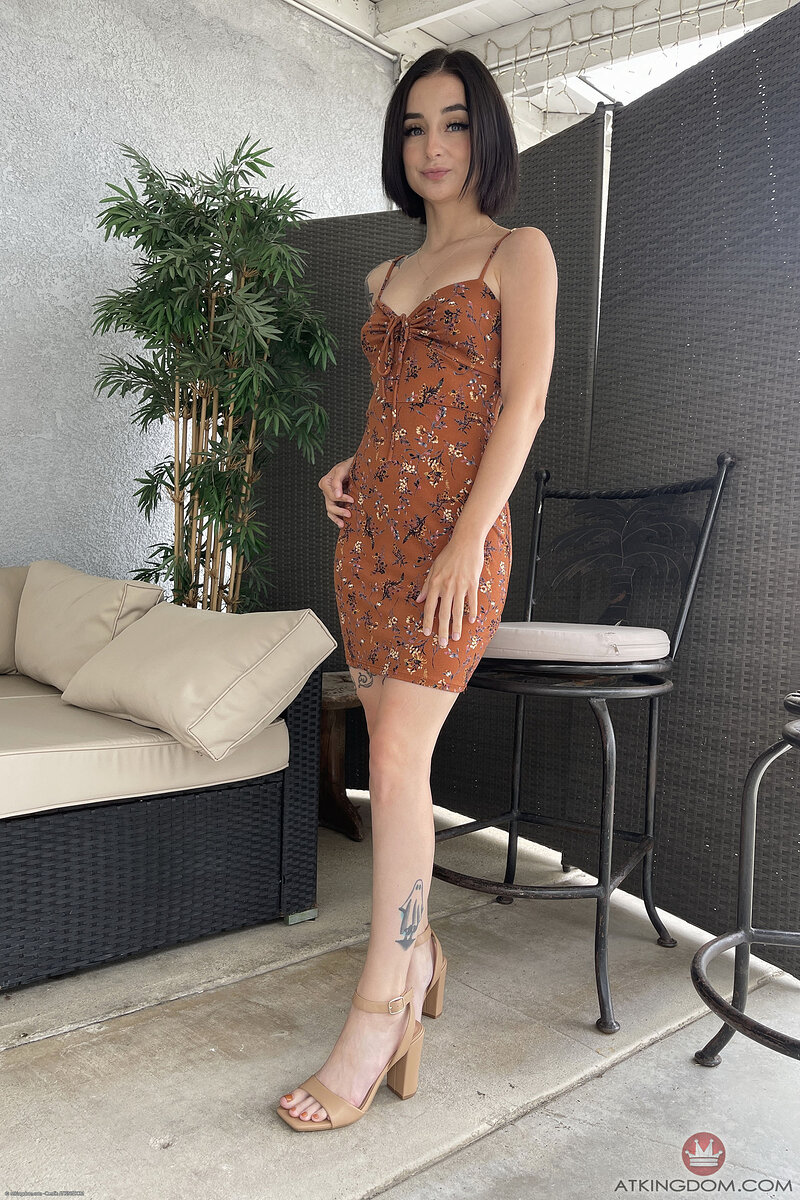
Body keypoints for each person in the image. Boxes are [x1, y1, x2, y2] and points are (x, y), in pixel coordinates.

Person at [277, 46, 558, 1132]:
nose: (432, 146)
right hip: (371, 547)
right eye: (412, 127)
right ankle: (421, 950)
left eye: (452, 123)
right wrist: (347, 466)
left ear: (485, 133)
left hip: (454, 549)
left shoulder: (518, 252)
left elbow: (519, 407)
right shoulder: (382, 277)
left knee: (393, 763)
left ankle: (379, 1012)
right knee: (395, 768)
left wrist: (465, 541)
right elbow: (404, 405)